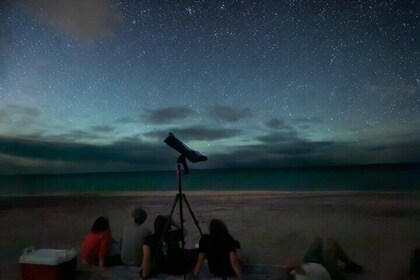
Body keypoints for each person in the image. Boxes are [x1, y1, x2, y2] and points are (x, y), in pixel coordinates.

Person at [287, 237, 363, 280]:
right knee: (330, 243)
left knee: (317, 241)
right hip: (326, 272)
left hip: (308, 266)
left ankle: (323, 259)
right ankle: (350, 265)